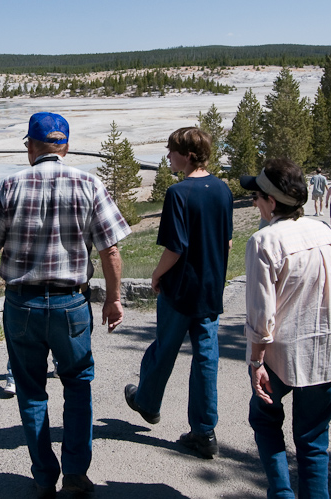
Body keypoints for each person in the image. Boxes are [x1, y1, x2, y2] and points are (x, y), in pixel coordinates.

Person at [0, 112, 130, 499]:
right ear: (66, 146)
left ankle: (43, 477)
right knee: (77, 386)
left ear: (30, 146)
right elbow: (110, 249)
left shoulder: (9, 186)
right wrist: (113, 298)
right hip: (71, 304)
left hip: (22, 305)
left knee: (31, 390)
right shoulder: (89, 183)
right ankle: (75, 473)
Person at [241, 159, 331, 499]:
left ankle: (282, 493)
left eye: (256, 196)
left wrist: (256, 363)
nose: (254, 201)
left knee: (265, 420)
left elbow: (261, 317)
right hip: (330, 350)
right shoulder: (325, 231)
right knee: (313, 441)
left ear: (271, 202)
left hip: (282, 354)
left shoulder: (263, 242)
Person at [123, 127, 233, 459]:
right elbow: (226, 241)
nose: (168, 156)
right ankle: (204, 431)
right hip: (211, 288)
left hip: (181, 288)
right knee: (206, 357)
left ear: (187, 155)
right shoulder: (222, 190)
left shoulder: (179, 193)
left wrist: (156, 275)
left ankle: (147, 401)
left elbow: (175, 247)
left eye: (171, 150)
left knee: (165, 348)